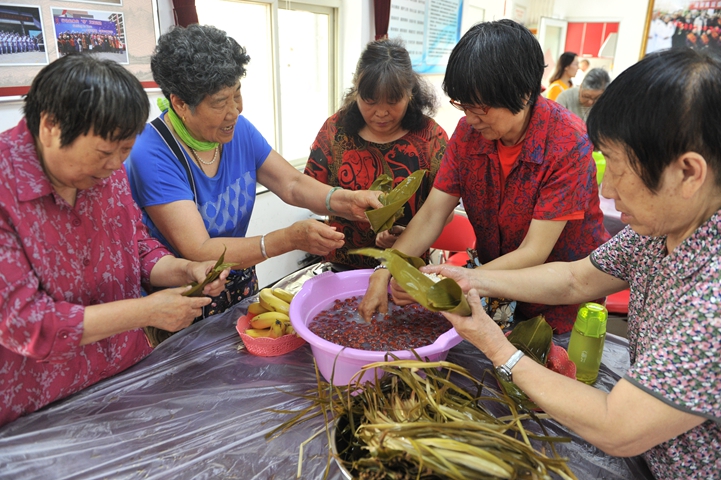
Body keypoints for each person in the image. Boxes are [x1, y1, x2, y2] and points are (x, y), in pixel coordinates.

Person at [424, 47, 721, 480]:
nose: (606, 187)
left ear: (689, 173)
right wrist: (472, 278)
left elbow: (618, 428)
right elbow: (573, 278)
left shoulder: (711, 300)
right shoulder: (659, 234)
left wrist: (496, 346)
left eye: (618, 168)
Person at [0, 54, 229, 427]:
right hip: (40, 404)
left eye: (125, 152)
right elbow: (26, 323)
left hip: (125, 372)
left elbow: (134, 244)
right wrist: (148, 311)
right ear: (50, 127)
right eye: (106, 153)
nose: (114, 166)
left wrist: (184, 269)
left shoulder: (107, 171)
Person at [359, 20, 609, 333]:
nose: (471, 117)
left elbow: (534, 252)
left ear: (523, 92)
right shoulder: (468, 134)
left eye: (481, 107)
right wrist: (387, 266)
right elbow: (433, 212)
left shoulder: (566, 142)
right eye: (463, 105)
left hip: (560, 303)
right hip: (492, 284)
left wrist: (448, 281)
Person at [125, 25, 382, 318]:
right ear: (180, 104)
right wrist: (287, 239)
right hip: (184, 298)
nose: (236, 110)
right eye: (221, 103)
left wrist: (348, 200)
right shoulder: (152, 153)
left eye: (237, 94)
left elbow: (292, 184)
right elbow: (199, 248)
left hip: (239, 280)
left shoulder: (237, 130)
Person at [303, 38, 449, 270]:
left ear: (409, 93)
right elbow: (307, 191)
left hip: (404, 269)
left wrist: (407, 236)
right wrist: (345, 204)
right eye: (369, 101)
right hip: (341, 265)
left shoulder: (431, 138)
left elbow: (444, 212)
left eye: (393, 101)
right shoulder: (335, 130)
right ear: (356, 91)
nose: (381, 113)